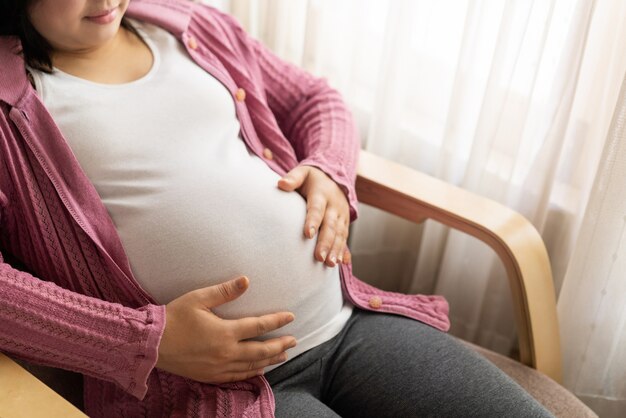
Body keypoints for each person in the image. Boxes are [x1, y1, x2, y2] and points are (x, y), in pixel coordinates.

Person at [0, 1, 555, 417]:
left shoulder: (186, 25)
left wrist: (331, 170)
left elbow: (316, 98)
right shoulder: (8, 103)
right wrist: (143, 342)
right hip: (211, 395)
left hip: (349, 325)